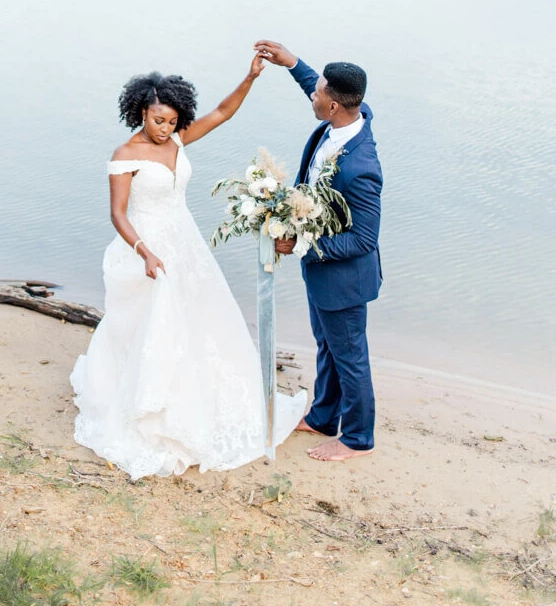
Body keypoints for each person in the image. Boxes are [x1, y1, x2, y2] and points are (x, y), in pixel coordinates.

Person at [70, 56, 306, 480]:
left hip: (186, 243)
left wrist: (250, 77)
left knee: (201, 320)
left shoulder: (177, 142)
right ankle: (150, 407)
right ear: (141, 110)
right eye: (158, 120)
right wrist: (144, 251)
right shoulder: (126, 155)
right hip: (147, 248)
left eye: (172, 121)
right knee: (155, 325)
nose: (164, 129)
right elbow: (118, 214)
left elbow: (221, 112)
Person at [255, 40, 383, 462]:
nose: (314, 92)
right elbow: (316, 84)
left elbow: (364, 239)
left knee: (351, 358)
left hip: (345, 279)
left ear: (333, 107)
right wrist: (292, 63)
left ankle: (358, 438)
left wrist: (302, 243)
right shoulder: (350, 114)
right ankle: (325, 416)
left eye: (320, 92)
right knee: (327, 346)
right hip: (323, 274)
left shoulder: (362, 168)